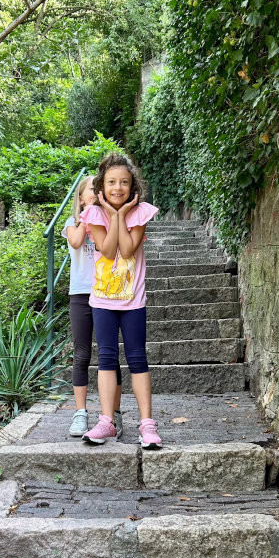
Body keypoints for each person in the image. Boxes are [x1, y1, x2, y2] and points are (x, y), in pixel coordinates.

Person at [79, 154, 161, 449]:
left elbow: (126, 251)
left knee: (137, 358)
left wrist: (122, 214)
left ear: (132, 186)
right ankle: (106, 421)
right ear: (102, 186)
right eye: (112, 182)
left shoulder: (140, 213)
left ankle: (147, 424)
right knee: (106, 358)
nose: (118, 188)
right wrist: (113, 216)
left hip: (133, 300)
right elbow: (107, 249)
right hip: (102, 301)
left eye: (124, 182)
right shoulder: (93, 214)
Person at [62, 176, 123, 438]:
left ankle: (114, 414)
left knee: (109, 353)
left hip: (106, 292)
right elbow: (77, 242)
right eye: (91, 189)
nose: (97, 192)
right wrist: (87, 215)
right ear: (80, 198)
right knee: (81, 353)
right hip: (80, 293)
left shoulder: (107, 221)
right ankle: (80, 413)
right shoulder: (72, 223)